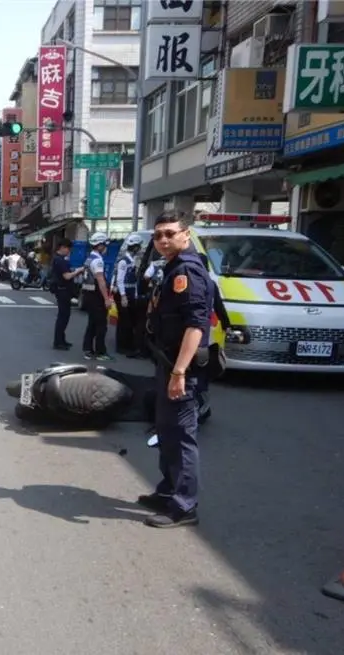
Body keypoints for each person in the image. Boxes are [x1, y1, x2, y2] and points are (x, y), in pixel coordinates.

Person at [138, 213, 214, 529]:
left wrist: (180, 372)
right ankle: (169, 490)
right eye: (158, 235)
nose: (163, 240)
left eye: (170, 233)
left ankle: (184, 505)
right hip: (167, 363)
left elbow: (196, 325)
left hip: (181, 369)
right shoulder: (171, 268)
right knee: (166, 432)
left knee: (182, 436)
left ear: (186, 234)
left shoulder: (188, 272)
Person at [81, 232, 113, 361]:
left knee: (92, 323)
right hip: (96, 296)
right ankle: (100, 352)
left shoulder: (89, 258)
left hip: (88, 295)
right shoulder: (98, 261)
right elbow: (101, 280)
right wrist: (106, 299)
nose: (106, 248)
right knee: (101, 325)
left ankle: (88, 349)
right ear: (99, 245)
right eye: (104, 245)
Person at [51, 238, 86, 350]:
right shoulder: (60, 260)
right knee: (63, 316)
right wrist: (78, 271)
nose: (69, 251)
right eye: (68, 249)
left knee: (64, 316)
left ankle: (61, 339)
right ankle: (58, 342)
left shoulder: (59, 259)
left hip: (62, 290)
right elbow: (67, 276)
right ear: (63, 248)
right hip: (62, 290)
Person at [113, 234, 144, 357]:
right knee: (123, 321)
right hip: (123, 293)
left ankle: (129, 344)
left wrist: (135, 295)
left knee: (130, 321)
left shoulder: (133, 260)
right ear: (135, 247)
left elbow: (135, 281)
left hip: (130, 293)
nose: (140, 249)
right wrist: (123, 296)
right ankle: (121, 346)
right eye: (139, 246)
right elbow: (120, 280)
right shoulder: (123, 261)